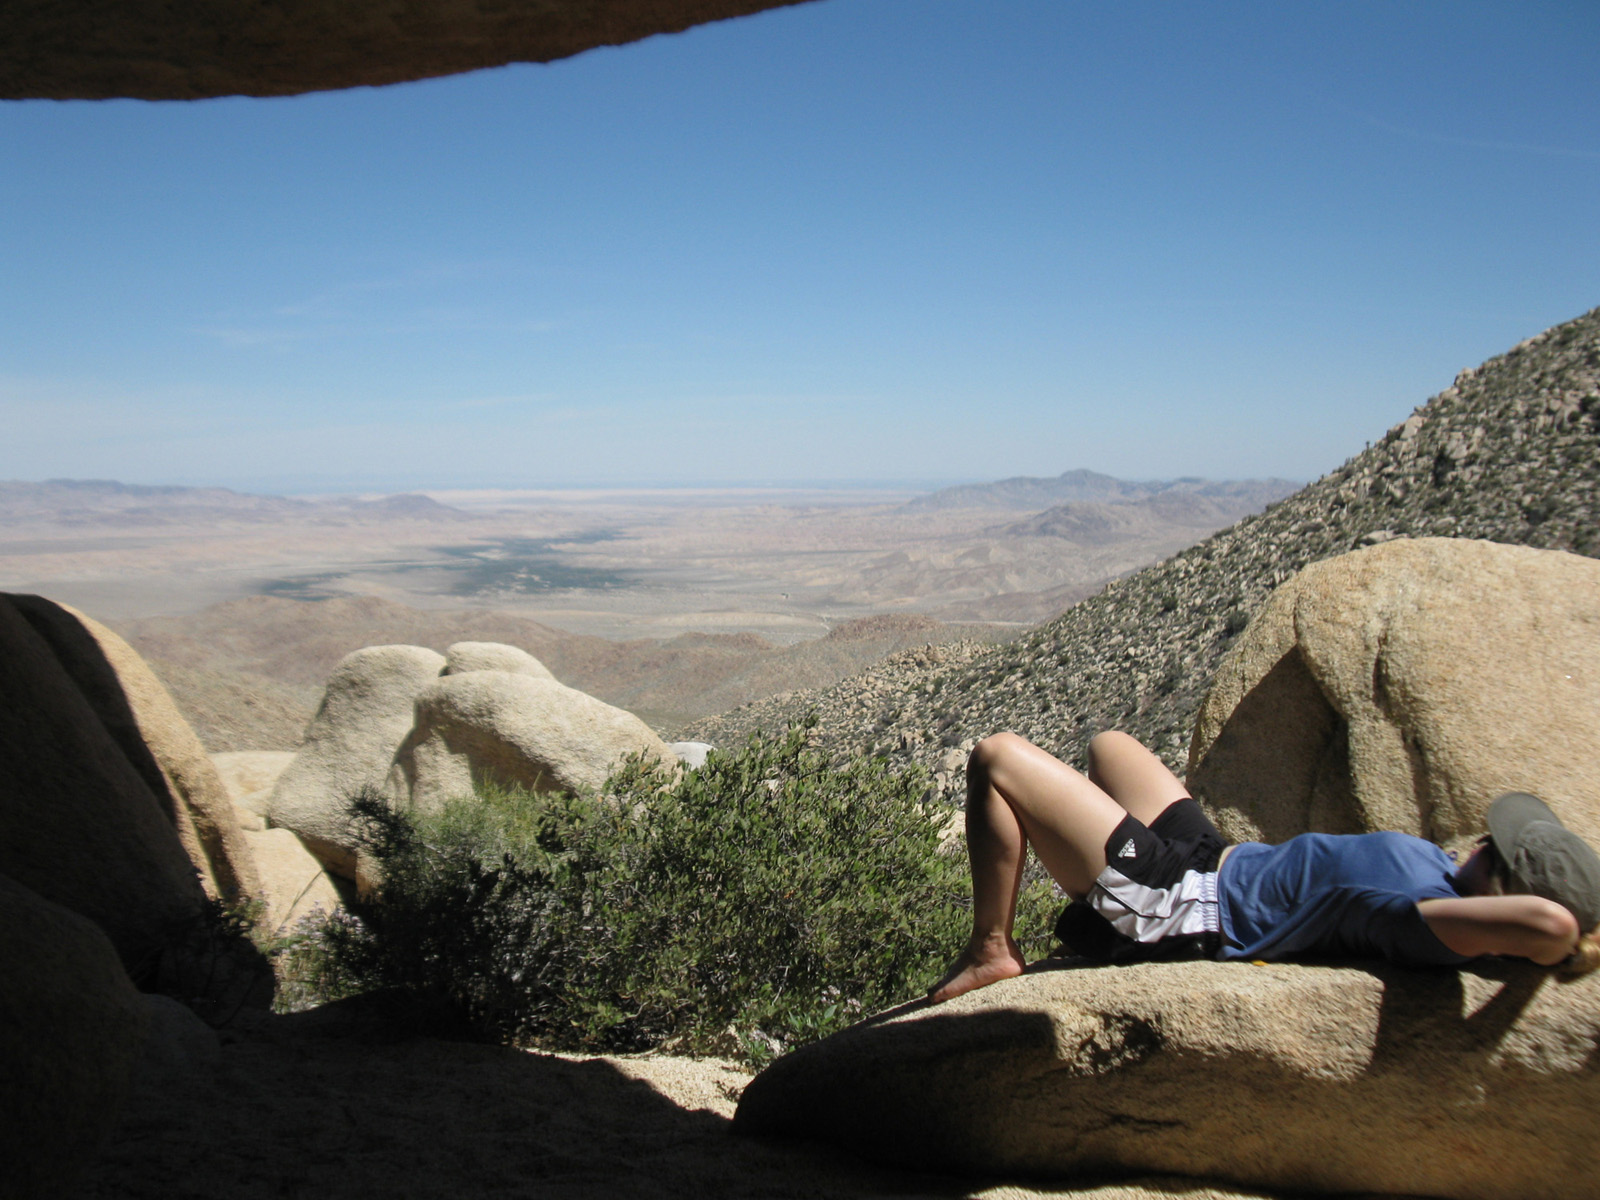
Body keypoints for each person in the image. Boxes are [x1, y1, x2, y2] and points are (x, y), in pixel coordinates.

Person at [928, 730, 1600, 1004]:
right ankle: (1096, 878)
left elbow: (1547, 926)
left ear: (1502, 896)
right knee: (1110, 747)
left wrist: (1575, 942)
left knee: (998, 757)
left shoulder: (1427, 923)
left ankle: (993, 948)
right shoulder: (1443, 876)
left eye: (1494, 850)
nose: (1479, 841)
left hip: (1185, 905)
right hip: (1215, 860)